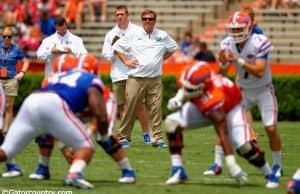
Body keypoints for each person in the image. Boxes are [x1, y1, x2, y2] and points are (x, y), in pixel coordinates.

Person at [0, 55, 136, 189]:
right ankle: (74, 174)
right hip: (60, 106)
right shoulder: (90, 80)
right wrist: (67, 147)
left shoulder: (54, 79)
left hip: (33, 101)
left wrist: (91, 133)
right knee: (87, 145)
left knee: (7, 151)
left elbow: (100, 118)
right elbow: (60, 118)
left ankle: (127, 170)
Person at [165, 62, 279, 188]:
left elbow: (222, 131)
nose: (186, 91)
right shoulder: (192, 74)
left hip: (231, 109)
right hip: (203, 102)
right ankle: (178, 170)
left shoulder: (215, 96)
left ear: (203, 86)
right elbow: (187, 86)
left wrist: (231, 163)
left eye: (189, 89)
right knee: (172, 123)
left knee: (244, 147)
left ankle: (269, 173)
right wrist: (178, 98)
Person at [218, 11, 283, 177]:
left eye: (239, 29)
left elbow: (260, 71)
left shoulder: (259, 41)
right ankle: (216, 164)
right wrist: (224, 64)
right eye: (232, 29)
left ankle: (277, 164)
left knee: (270, 127)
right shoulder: (227, 43)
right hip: (243, 91)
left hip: (263, 90)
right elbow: (222, 74)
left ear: (248, 27)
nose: (235, 33)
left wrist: (237, 61)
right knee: (224, 124)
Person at [203, 5, 264, 176]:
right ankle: (218, 163)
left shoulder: (258, 36)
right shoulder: (231, 37)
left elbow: (259, 66)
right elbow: (224, 65)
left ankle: (250, 141)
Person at [113, 9, 177, 148]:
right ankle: (123, 137)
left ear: (155, 20)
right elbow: (117, 48)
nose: (147, 21)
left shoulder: (162, 35)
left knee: (156, 108)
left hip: (155, 78)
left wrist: (161, 60)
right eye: (145, 19)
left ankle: (157, 138)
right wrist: (126, 62)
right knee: (130, 108)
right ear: (142, 20)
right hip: (136, 78)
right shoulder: (133, 34)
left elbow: (173, 48)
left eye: (150, 19)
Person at [102, 5, 151, 147]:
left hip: (135, 72)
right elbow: (106, 55)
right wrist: (115, 49)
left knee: (140, 105)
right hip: (118, 74)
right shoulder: (111, 34)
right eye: (117, 14)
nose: (119, 17)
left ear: (127, 15)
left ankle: (147, 134)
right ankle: (125, 136)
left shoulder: (137, 30)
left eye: (122, 14)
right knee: (122, 106)